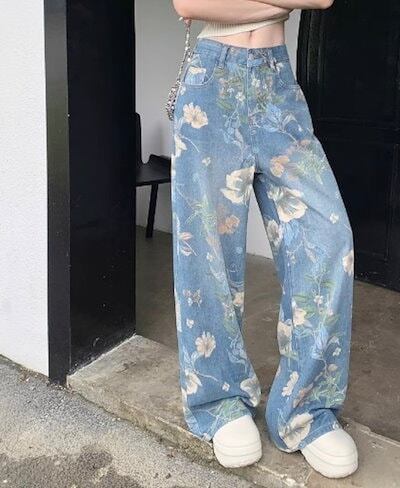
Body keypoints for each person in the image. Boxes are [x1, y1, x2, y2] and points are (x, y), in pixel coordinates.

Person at [170, 0, 358, 479]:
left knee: (329, 236)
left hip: (278, 86)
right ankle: (219, 400)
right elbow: (188, 3)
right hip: (210, 82)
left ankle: (305, 408)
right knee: (207, 250)